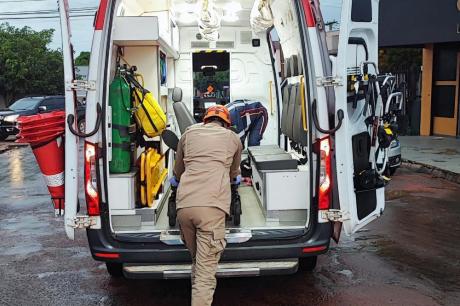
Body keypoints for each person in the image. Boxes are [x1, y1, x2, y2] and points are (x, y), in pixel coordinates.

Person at [173, 105, 243, 306]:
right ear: (226, 123)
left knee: (198, 262)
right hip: (212, 208)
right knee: (205, 273)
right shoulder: (232, 138)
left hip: (184, 206)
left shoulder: (188, 133)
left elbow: (178, 170)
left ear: (206, 120)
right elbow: (234, 172)